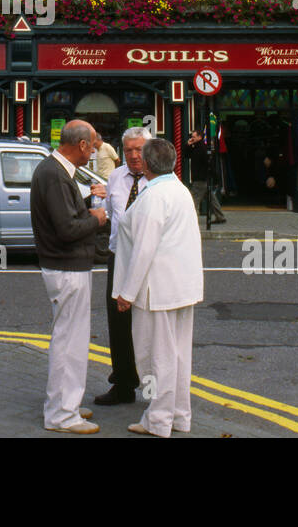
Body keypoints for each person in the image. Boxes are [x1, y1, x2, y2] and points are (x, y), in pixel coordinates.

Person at [112, 138, 204, 437]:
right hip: (180, 287)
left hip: (155, 291)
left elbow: (143, 250)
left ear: (148, 165)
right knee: (177, 357)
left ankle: (157, 419)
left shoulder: (154, 196)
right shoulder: (179, 190)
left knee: (153, 359)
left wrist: (127, 292)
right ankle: (178, 415)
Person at [30, 118, 108, 433]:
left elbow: (65, 215)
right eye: (92, 145)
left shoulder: (55, 171)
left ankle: (66, 404)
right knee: (69, 343)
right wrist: (98, 218)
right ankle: (61, 415)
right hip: (66, 266)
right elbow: (66, 229)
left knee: (71, 340)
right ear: (81, 145)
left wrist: (87, 204)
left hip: (65, 266)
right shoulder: (55, 175)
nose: (93, 152)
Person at [93, 126, 148, 406]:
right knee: (118, 322)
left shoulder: (160, 180)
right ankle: (123, 384)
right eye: (129, 150)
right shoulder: (115, 177)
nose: (134, 155)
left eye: (139, 149)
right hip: (118, 258)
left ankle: (156, 388)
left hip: (149, 261)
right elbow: (112, 216)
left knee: (149, 324)